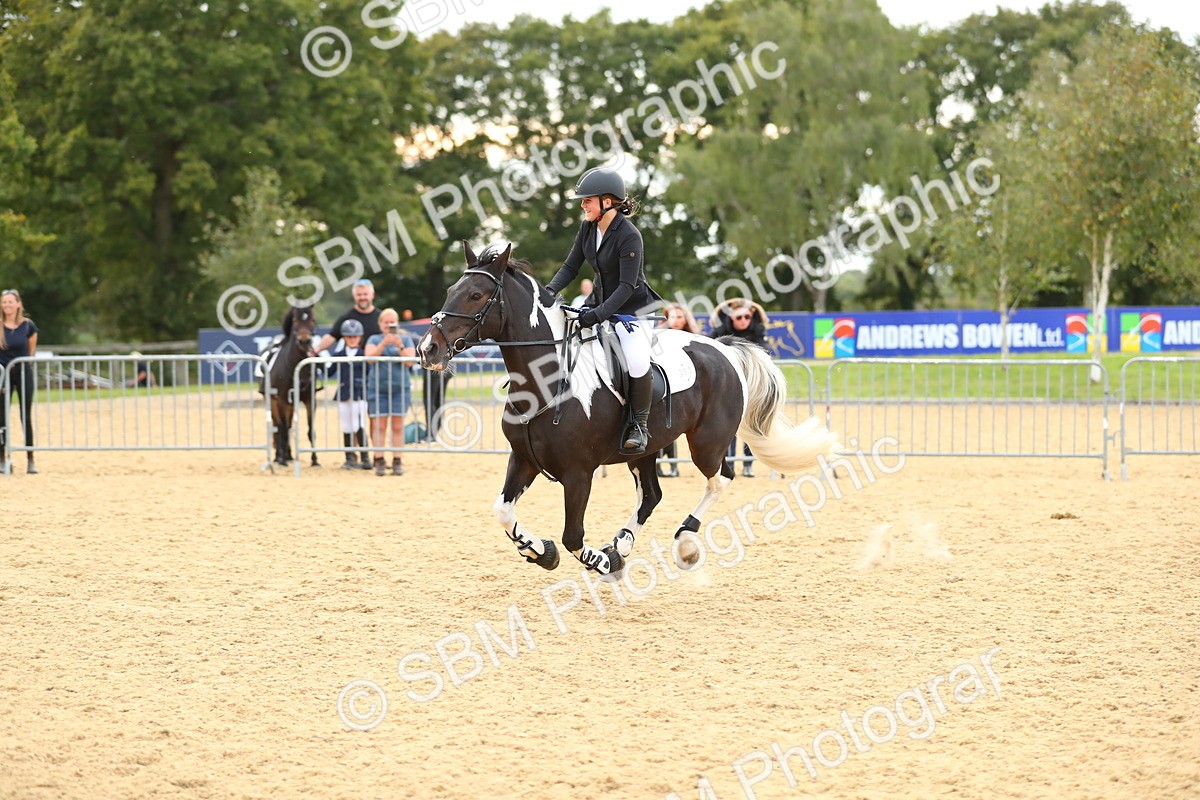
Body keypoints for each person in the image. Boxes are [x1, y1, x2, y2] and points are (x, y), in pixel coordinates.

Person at [545, 167, 663, 454]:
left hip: (633, 311)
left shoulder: (629, 235)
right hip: (598, 303)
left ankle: (639, 425)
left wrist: (597, 315)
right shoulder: (587, 228)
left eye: (587, 200)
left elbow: (626, 286)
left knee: (635, 361)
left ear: (607, 202)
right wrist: (548, 293)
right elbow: (570, 267)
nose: (583, 205)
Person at [710, 298, 770, 477]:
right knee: (728, 427)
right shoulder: (719, 333)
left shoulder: (758, 332)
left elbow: (766, 352)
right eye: (739, 317)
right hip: (726, 389)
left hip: (752, 387)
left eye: (747, 316)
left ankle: (748, 464)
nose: (743, 320)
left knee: (750, 426)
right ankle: (727, 464)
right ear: (731, 318)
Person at [364, 307, 416, 476]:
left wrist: (398, 344)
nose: (389, 325)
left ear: (397, 323)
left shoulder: (406, 339)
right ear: (380, 324)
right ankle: (379, 459)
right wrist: (383, 344)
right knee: (379, 425)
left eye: (392, 322)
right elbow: (369, 358)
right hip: (377, 389)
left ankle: (397, 460)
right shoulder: (374, 338)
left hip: (399, 389)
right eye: (385, 322)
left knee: (398, 426)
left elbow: (409, 361)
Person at [653, 302, 701, 476]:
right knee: (662, 426)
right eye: (672, 316)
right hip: (666, 387)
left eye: (680, 316)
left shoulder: (693, 339)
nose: (676, 320)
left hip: (685, 388)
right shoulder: (657, 337)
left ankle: (673, 465)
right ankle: (660, 464)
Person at [0, 289, 38, 475]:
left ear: (18, 304)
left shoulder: (28, 326)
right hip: (3, 375)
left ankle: (30, 459)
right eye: (4, 302)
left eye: (10, 302)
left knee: (26, 416)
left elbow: (30, 350)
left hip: (23, 373)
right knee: (1, 417)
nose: (7, 305)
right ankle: (2, 457)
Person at [326, 319, 371, 470]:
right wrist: (317, 363)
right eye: (348, 337)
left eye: (355, 336)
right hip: (344, 393)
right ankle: (349, 458)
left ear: (360, 338)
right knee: (346, 425)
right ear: (344, 338)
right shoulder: (339, 354)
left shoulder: (364, 354)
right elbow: (330, 371)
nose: (352, 339)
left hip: (360, 393)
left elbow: (369, 373)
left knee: (359, 424)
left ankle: (365, 458)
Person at [313, 278, 382, 357]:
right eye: (359, 295)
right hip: (354, 367)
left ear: (373, 295)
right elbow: (331, 337)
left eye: (365, 294)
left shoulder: (382, 318)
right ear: (354, 296)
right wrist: (316, 350)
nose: (362, 298)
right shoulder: (346, 318)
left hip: (376, 367)